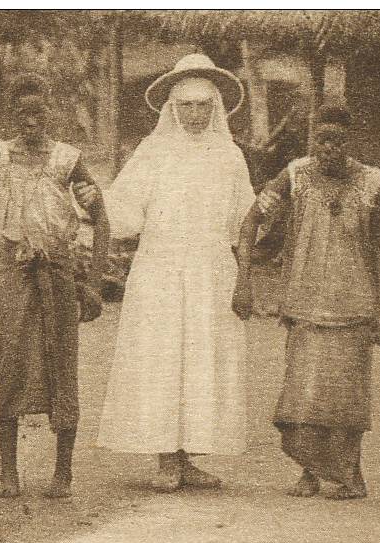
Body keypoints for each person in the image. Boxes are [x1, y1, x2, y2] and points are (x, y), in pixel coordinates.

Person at [97, 54, 254, 492]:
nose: (196, 113)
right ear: (171, 108)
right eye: (186, 105)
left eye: (204, 104)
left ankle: (188, 458)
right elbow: (122, 210)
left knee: (201, 359)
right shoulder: (154, 151)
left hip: (210, 270)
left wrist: (245, 277)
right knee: (164, 357)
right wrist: (92, 202)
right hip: (161, 269)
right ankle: (166, 457)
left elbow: (245, 220)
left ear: (217, 106)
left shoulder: (230, 155)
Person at [0, 73, 110, 498]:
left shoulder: (67, 160)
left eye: (39, 111)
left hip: (59, 275)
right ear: (12, 115)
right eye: (23, 113)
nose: (31, 121)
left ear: (51, 112)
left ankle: (63, 474)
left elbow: (101, 219)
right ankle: (9, 476)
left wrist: (94, 284)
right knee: (10, 364)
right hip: (14, 275)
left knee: (62, 365)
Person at [234, 104, 380, 499]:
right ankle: (309, 473)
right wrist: (244, 280)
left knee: (345, 396)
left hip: (354, 307)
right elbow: (251, 220)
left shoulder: (372, 183)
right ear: (312, 140)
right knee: (303, 393)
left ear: (349, 141)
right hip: (304, 304)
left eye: (337, 140)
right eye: (321, 139)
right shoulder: (292, 176)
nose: (328, 148)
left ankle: (350, 477)